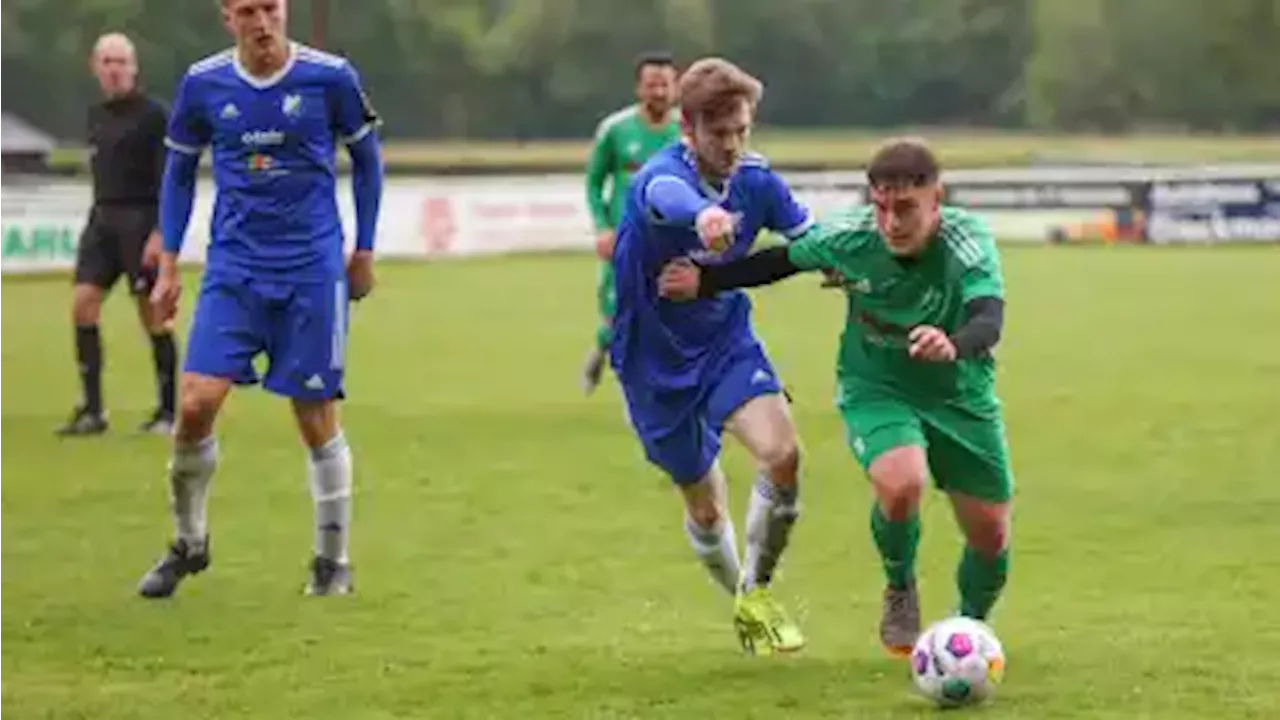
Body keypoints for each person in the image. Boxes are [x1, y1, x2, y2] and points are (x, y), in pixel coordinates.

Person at [658, 138, 1014, 656]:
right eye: (881, 207)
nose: (891, 222)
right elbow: (780, 261)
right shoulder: (852, 235)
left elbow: (989, 316)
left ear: (936, 198)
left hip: (962, 394)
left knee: (991, 535)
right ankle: (900, 585)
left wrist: (953, 344)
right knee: (900, 483)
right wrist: (707, 280)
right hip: (877, 387)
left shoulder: (967, 239)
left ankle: (967, 635)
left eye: (906, 208)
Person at [135, 0, 384, 599]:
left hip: (311, 268)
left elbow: (368, 162)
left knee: (314, 411)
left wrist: (365, 250)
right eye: (248, 11)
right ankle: (189, 543)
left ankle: (332, 563)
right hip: (234, 268)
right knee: (195, 403)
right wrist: (168, 264)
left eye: (270, 8)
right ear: (228, 16)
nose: (262, 22)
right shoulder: (203, 84)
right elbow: (177, 174)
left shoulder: (330, 77)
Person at [610, 57, 816, 655]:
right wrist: (703, 216)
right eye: (718, 133)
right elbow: (668, 198)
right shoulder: (659, 177)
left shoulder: (757, 181)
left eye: (741, 131)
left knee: (782, 455)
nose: (731, 145)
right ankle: (740, 603)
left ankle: (756, 590)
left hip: (726, 343)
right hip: (653, 363)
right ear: (688, 132)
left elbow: (806, 239)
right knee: (704, 507)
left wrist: (848, 264)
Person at [58, 33, 178, 437]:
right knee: (82, 304)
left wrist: (163, 232)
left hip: (142, 220)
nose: (114, 69)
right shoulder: (96, 114)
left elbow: (170, 177)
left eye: (121, 61)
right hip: (102, 219)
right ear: (95, 66)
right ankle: (93, 410)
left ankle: (168, 410)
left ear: (134, 66)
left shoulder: (154, 115)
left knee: (153, 315)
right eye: (106, 61)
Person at [580, 51, 681, 394]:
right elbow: (594, 182)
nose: (659, 93)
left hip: (670, 239)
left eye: (665, 85)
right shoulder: (616, 130)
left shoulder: (686, 133)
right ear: (639, 88)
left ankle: (653, 386)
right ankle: (605, 347)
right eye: (652, 85)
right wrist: (602, 227)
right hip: (623, 237)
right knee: (619, 311)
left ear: (676, 88)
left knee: (668, 313)